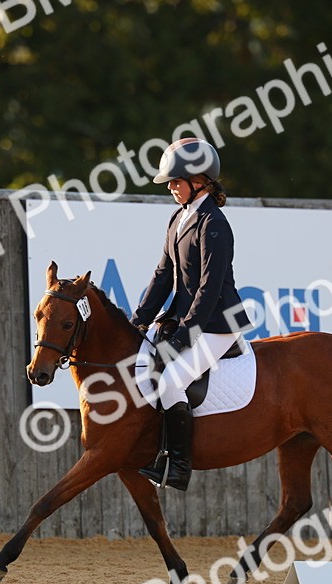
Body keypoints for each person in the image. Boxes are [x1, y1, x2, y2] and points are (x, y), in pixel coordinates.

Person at [130, 138, 251, 491]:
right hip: (188, 318)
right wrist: (139, 318)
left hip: (217, 324)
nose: (170, 187)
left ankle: (179, 466)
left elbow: (209, 289)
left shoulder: (214, 223)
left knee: (170, 382)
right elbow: (163, 274)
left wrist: (186, 333)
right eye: (169, 182)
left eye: (176, 180)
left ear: (200, 180)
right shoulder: (178, 217)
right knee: (146, 364)